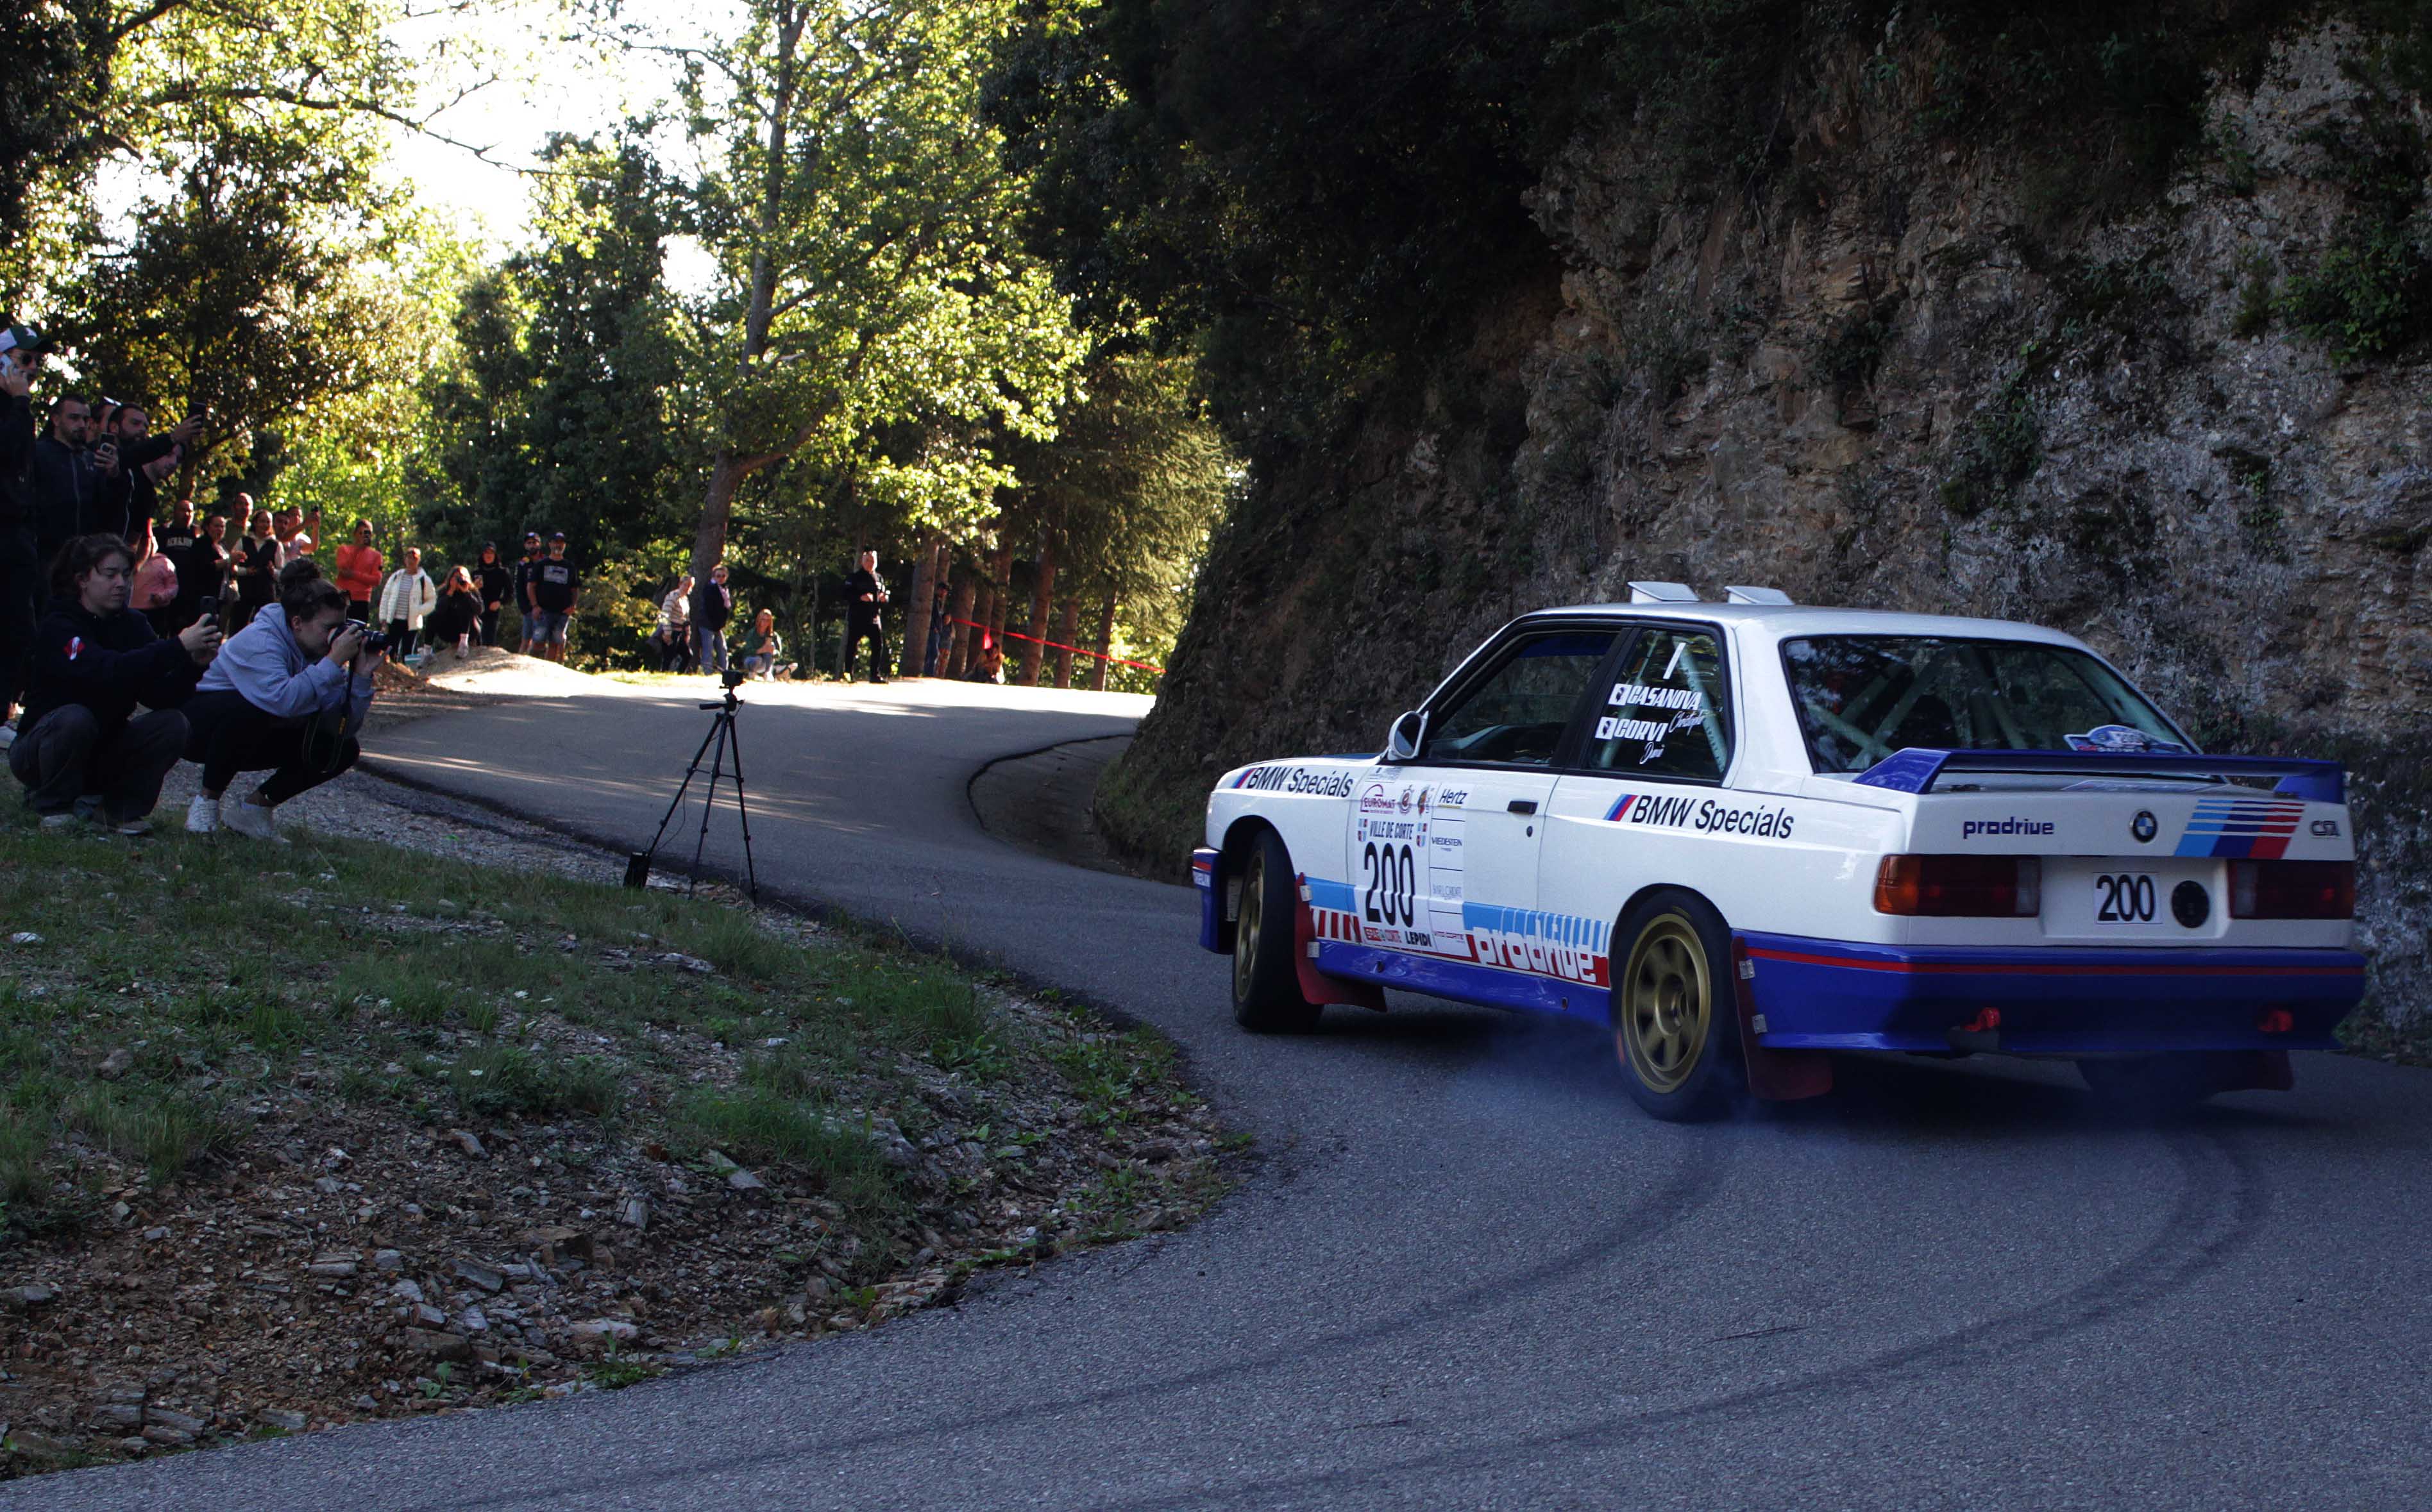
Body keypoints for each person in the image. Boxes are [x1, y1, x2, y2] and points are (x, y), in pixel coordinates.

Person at [10, 532, 219, 834]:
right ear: (82, 580)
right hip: (40, 750)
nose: (121, 583)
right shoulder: (60, 626)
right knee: (75, 718)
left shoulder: (132, 625)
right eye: (110, 575)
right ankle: (51, 804)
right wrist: (176, 646)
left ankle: (118, 812)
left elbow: (161, 696)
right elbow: (107, 670)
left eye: (125, 574)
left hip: (103, 749)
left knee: (173, 723)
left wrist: (193, 665)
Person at [183, 559, 376, 839]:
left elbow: (340, 727)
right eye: (329, 628)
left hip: (251, 735)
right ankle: (206, 802)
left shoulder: (320, 651)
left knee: (342, 748)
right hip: (198, 730)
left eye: (341, 627)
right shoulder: (261, 639)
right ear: (297, 622)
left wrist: (360, 678)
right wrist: (333, 661)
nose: (336, 636)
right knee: (253, 709)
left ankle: (253, 810)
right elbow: (283, 702)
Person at [0, 323, 46, 749]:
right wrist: (18, 404)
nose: (33, 367)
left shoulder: (21, 408)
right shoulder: (15, 408)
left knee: (18, 626)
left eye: (36, 360)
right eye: (24, 358)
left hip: (17, 534)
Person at [28, 393, 114, 564]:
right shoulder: (37, 454)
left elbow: (105, 507)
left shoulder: (92, 460)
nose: (82, 425)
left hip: (84, 557)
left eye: (85, 419)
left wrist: (114, 476)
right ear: (56, 419)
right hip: (43, 556)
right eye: (74, 418)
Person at [154, 499, 208, 634]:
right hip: (164, 588)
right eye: (183, 510)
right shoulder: (162, 533)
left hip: (188, 590)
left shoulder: (198, 536)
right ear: (174, 512)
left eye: (190, 511)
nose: (187, 514)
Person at [226, 506, 282, 637]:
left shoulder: (275, 545)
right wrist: (245, 571)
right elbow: (231, 565)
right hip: (244, 593)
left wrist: (273, 571)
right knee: (238, 628)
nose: (265, 525)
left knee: (263, 629)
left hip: (266, 594)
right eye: (262, 521)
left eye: (268, 522)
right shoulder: (244, 541)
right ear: (255, 523)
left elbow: (282, 572)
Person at [376, 546, 436, 661]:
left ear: (418, 560)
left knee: (408, 654)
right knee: (390, 651)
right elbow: (386, 597)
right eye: (408, 558)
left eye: (413, 558)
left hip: (411, 622)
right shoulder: (396, 577)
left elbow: (432, 600)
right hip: (394, 620)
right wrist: (383, 618)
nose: (410, 561)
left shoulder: (424, 579)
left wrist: (419, 610)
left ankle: (408, 676)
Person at [527, 532, 578, 662]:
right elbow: (531, 586)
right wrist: (535, 606)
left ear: (564, 545)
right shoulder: (541, 564)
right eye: (555, 542)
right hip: (543, 610)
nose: (558, 545)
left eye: (561, 542)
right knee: (538, 641)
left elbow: (575, 589)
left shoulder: (570, 566)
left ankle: (548, 670)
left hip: (562, 612)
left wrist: (573, 606)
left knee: (555, 643)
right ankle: (527, 665)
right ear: (550, 544)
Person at [843, 549, 890, 683]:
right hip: (857, 617)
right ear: (862, 561)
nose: (871, 563)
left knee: (878, 645)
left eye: (873, 561)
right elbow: (845, 595)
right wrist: (860, 597)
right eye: (868, 560)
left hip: (874, 617)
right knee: (852, 645)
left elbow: (885, 594)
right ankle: (848, 674)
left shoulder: (879, 578)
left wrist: (884, 598)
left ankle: (874, 675)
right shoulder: (854, 577)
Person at [130, 522, 180, 637]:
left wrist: (162, 596)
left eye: (144, 543)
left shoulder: (164, 562)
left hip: (155, 613)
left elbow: (173, 587)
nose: (141, 547)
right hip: (131, 610)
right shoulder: (127, 562)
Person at [332, 519, 382, 622]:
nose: (364, 536)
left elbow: (376, 580)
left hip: (362, 601)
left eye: (368, 533)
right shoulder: (344, 550)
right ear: (354, 534)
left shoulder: (376, 556)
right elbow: (343, 570)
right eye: (361, 533)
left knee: (358, 631)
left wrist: (353, 574)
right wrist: (357, 549)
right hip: (343, 597)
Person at [427, 566, 482, 659]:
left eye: (461, 577)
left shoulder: (472, 591)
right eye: (456, 578)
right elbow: (438, 610)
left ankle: (464, 643)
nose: (458, 580)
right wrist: (450, 592)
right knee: (432, 616)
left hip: (470, 631)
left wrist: (467, 592)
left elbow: (480, 610)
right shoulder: (444, 591)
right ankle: (426, 651)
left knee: (465, 606)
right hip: (451, 631)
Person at [690, 562, 732, 675]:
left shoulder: (724, 590)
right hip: (707, 623)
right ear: (714, 577)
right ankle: (707, 672)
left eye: (723, 576)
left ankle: (725, 672)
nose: (721, 578)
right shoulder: (710, 588)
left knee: (722, 649)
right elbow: (710, 608)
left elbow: (725, 609)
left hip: (718, 625)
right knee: (708, 649)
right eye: (718, 576)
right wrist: (715, 623)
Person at [473, 542, 511, 649]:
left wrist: (500, 602)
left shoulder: (502, 572)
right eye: (486, 553)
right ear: (482, 555)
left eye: (491, 553)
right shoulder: (476, 572)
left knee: (489, 642)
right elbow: (467, 593)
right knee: (476, 642)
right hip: (477, 610)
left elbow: (510, 593)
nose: (489, 555)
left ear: (495, 555)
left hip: (492, 610)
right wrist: (473, 587)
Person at [511, 532, 544, 653]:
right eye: (529, 543)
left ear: (539, 544)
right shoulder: (522, 564)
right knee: (526, 640)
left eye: (534, 542)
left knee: (541, 641)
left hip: (544, 606)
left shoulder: (546, 561)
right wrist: (523, 607)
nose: (532, 546)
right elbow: (518, 587)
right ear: (525, 546)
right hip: (528, 607)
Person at [655, 574, 693, 673]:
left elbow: (686, 619)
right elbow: (665, 614)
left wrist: (687, 634)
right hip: (670, 631)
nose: (686, 588)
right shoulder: (673, 596)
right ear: (680, 584)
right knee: (668, 657)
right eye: (685, 585)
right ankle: (663, 676)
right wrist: (667, 633)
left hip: (680, 632)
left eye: (689, 585)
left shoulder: (685, 599)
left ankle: (679, 675)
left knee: (687, 655)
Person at [741, 608, 793, 680]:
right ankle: (752, 673)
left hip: (765, 663)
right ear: (759, 620)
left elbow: (779, 654)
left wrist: (773, 652)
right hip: (751, 660)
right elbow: (747, 651)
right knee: (758, 659)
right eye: (763, 620)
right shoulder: (752, 633)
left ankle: (768, 673)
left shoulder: (773, 636)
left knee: (771, 645)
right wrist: (761, 650)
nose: (765, 623)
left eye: (768, 621)